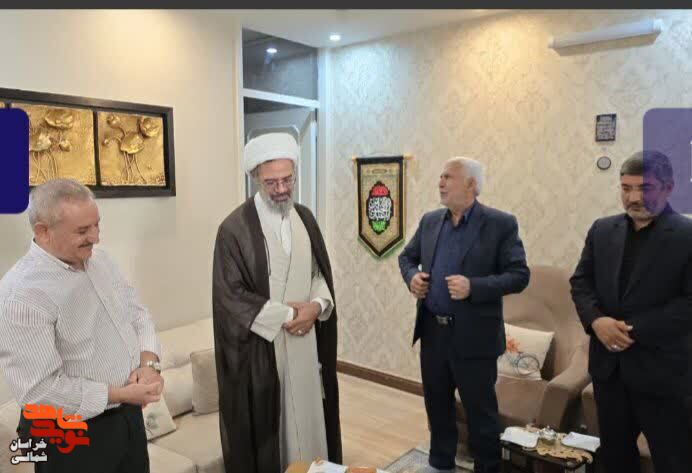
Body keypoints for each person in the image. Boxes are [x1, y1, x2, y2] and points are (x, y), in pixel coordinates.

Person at [0, 178, 163, 473]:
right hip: (67, 435)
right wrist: (120, 394)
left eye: (97, 225)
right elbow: (39, 392)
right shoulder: (21, 294)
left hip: (127, 416)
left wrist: (149, 365)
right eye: (82, 230)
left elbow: (137, 314)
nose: (96, 238)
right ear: (43, 232)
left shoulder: (101, 261)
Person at [212, 132, 342, 473]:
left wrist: (316, 307)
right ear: (255, 178)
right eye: (272, 182)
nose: (282, 189)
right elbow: (230, 295)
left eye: (288, 179)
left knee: (311, 419)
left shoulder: (306, 218)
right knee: (273, 430)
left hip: (306, 343)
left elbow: (317, 273)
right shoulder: (234, 229)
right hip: (264, 349)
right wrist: (289, 316)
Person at [398, 157, 529, 473]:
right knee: (437, 407)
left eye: (449, 177)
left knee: (481, 414)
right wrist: (412, 277)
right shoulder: (431, 221)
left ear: (471, 184)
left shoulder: (500, 224)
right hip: (433, 332)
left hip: (475, 337)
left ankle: (488, 467)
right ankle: (440, 464)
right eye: (440, 176)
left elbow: (519, 275)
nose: (440, 182)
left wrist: (474, 287)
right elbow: (406, 257)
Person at [570, 150, 692, 473]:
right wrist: (597, 321)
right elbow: (581, 283)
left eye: (645, 188)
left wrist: (628, 329)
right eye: (626, 188)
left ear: (668, 188)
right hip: (609, 374)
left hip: (663, 375)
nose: (634, 198)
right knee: (615, 460)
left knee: (674, 461)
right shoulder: (602, 230)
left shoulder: (687, 236)